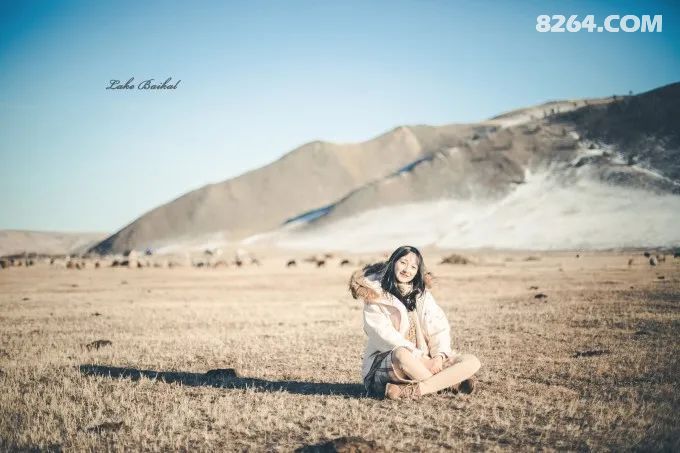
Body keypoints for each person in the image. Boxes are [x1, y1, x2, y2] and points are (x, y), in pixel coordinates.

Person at [349, 245, 481, 400]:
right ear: (393, 263)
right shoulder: (375, 296)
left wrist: (438, 357)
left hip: (427, 361)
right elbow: (384, 336)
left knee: (472, 361)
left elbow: (439, 329)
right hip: (389, 365)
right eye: (403, 263)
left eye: (413, 267)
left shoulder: (422, 295)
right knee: (401, 354)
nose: (407, 270)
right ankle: (448, 384)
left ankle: (409, 390)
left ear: (418, 271)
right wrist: (421, 359)